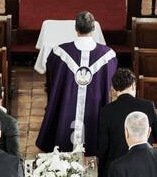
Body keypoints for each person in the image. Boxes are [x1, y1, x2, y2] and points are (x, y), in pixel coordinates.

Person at [36, 11, 116, 158]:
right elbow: (109, 82)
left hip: (65, 108)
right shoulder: (108, 56)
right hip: (95, 110)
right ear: (93, 29)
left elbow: (51, 79)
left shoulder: (59, 52)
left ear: (76, 29)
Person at [96, 67, 157, 177]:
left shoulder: (106, 111)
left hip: (115, 172)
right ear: (133, 86)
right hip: (144, 170)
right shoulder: (148, 106)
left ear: (114, 88)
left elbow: (102, 149)